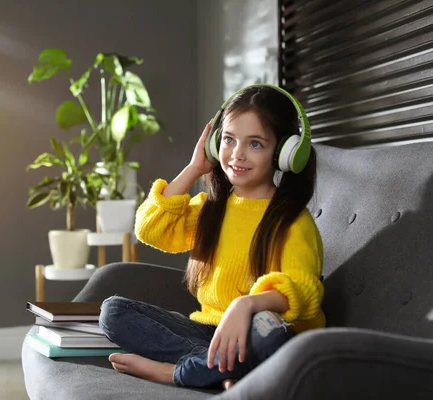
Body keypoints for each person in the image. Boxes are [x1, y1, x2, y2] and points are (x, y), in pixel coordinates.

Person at [98, 84, 325, 390]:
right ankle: (220, 367)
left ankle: (176, 372)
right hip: (207, 332)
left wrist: (244, 306)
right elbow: (149, 228)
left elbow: (304, 292)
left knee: (271, 336)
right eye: (229, 140)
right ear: (215, 144)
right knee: (113, 312)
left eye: (255, 144)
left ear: (285, 153)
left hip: (259, 332)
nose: (237, 154)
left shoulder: (294, 221)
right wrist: (194, 168)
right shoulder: (212, 209)